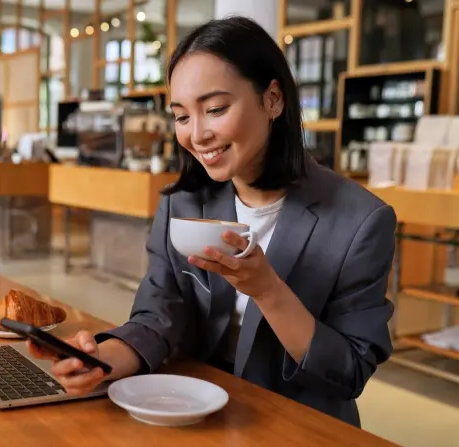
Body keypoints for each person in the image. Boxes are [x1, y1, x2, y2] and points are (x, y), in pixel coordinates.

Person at [28, 16, 396, 427]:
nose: (197, 134)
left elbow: (349, 371)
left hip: (297, 425)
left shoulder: (361, 221)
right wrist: (102, 362)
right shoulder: (182, 202)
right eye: (182, 116)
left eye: (216, 109)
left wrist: (268, 290)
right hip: (194, 414)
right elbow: (159, 315)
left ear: (273, 99)